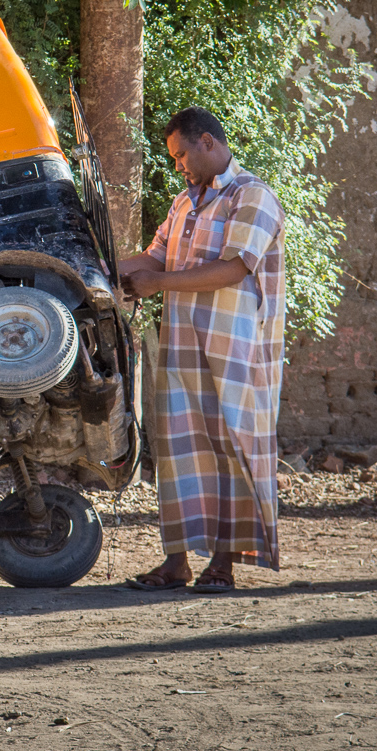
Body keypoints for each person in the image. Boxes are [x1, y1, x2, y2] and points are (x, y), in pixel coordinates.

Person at [118, 106, 286, 594]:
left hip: (234, 351)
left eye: (181, 155)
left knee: (229, 448)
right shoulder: (184, 203)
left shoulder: (252, 196)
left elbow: (235, 268)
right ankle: (176, 562)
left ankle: (222, 565)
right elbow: (153, 257)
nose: (178, 166)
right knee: (177, 448)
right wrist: (98, 270)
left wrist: (158, 282)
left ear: (208, 142)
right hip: (182, 349)